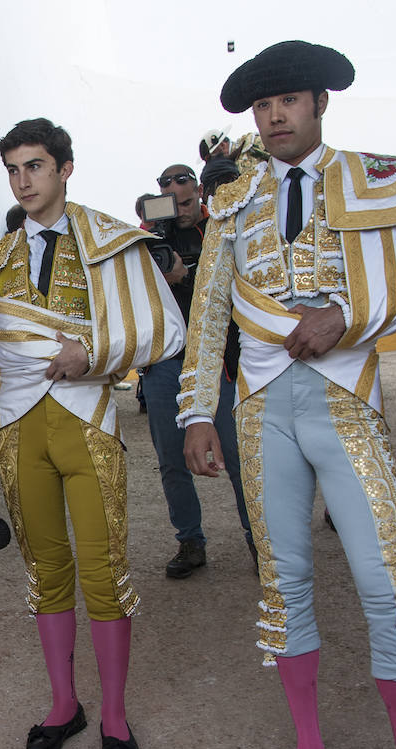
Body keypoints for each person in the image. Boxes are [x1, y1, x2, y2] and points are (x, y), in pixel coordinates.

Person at [180, 41, 396, 749]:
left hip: (345, 403)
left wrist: (349, 316)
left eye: (288, 101)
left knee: (385, 579)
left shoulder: (372, 181)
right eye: (262, 108)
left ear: (319, 104)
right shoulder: (231, 203)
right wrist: (198, 412)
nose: (274, 117)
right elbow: (208, 315)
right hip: (261, 411)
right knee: (285, 578)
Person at [0, 117, 184, 749]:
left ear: (65, 169)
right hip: (22, 434)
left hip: (88, 423)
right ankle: (63, 705)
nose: (24, 181)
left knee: (104, 572)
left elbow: (163, 328)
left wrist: (98, 352)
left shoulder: (109, 241)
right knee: (46, 573)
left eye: (36, 167)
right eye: (14, 170)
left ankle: (112, 714)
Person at [143, 163, 253, 578]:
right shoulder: (149, 241)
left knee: (239, 457)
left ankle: (256, 537)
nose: (174, 190)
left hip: (218, 363)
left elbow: (241, 289)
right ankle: (190, 541)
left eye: (182, 183)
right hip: (164, 363)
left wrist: (186, 278)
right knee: (172, 460)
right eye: (165, 184)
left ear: (199, 190)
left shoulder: (223, 229)